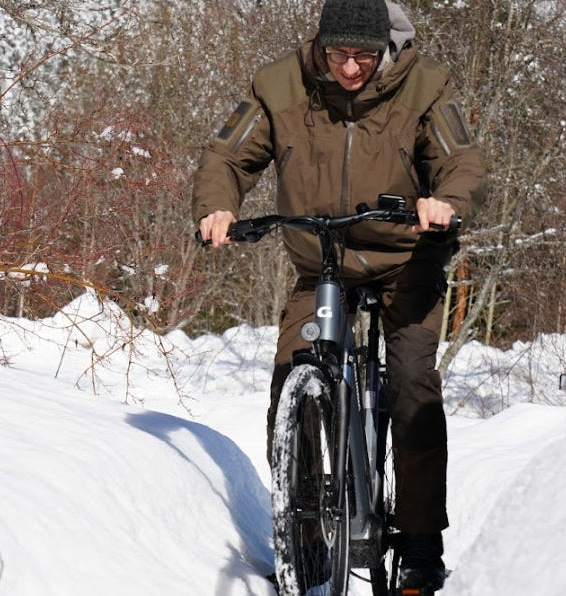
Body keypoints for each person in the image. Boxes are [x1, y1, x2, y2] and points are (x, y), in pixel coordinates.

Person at [192, 0, 487, 591]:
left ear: (385, 49)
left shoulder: (425, 85)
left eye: (363, 56)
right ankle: (302, 543)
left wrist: (445, 202)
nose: (350, 69)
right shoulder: (280, 85)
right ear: (319, 44)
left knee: (410, 383)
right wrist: (218, 205)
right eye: (338, 54)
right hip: (321, 257)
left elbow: (462, 160)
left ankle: (421, 543)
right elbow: (227, 153)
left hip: (407, 254)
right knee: (290, 383)